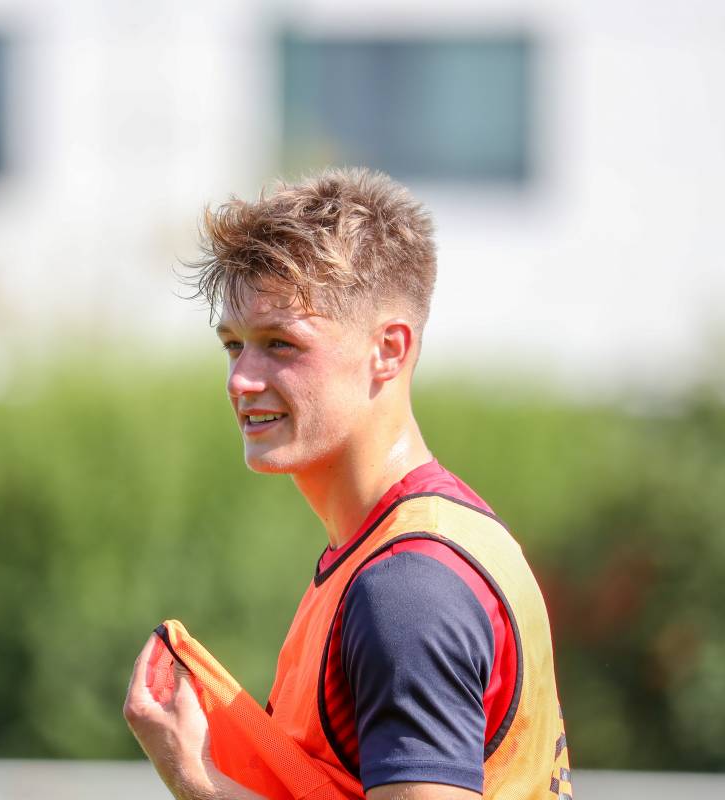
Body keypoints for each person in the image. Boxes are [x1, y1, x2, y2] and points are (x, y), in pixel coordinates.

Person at [124, 168, 571, 800]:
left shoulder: (407, 587)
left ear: (388, 350)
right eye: (233, 345)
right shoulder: (417, 540)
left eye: (280, 344)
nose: (241, 380)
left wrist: (199, 782)